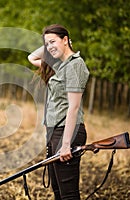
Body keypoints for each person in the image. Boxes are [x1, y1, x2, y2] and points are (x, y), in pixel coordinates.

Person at [28, 24, 89, 199]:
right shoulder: (59, 65)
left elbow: (74, 107)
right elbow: (31, 57)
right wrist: (50, 44)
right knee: (57, 190)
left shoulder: (75, 65)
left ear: (65, 40)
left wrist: (66, 144)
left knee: (68, 194)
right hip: (54, 131)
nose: (49, 47)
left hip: (66, 132)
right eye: (46, 44)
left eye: (54, 41)